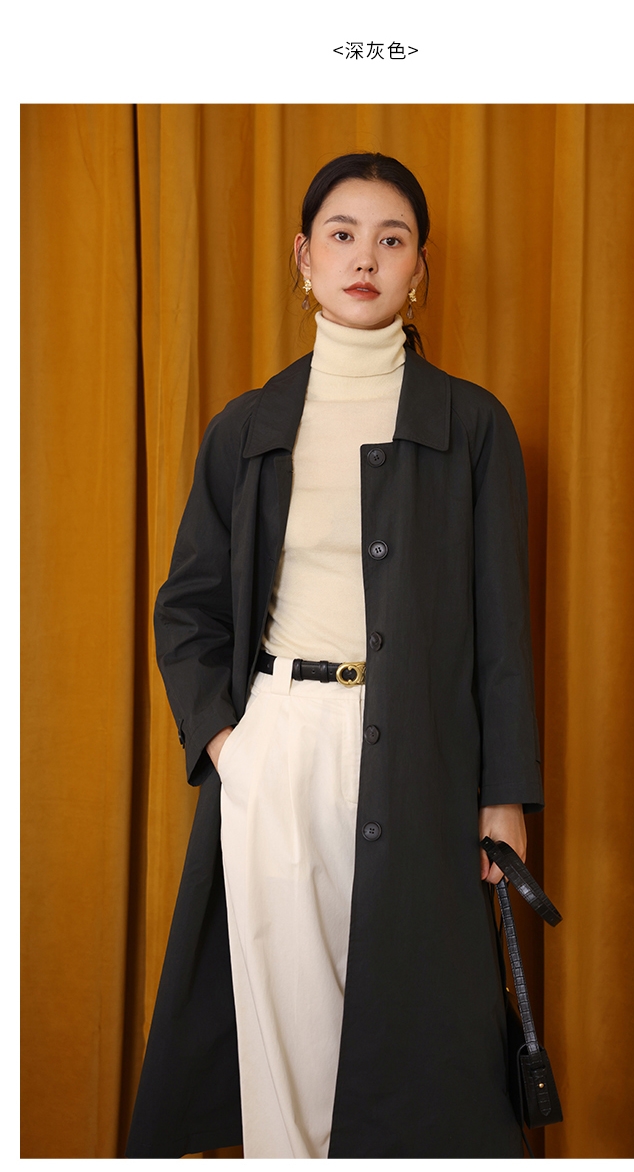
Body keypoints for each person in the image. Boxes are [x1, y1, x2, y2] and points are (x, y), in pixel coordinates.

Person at [125, 152, 544, 1160]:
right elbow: (187, 606)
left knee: (419, 1037)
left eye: (391, 239)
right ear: (304, 258)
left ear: (420, 267)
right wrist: (231, 747)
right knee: (288, 1043)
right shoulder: (248, 428)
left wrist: (505, 795)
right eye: (343, 235)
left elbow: (503, 627)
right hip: (279, 744)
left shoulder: (472, 426)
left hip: (422, 756)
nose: (366, 258)